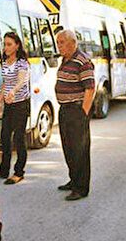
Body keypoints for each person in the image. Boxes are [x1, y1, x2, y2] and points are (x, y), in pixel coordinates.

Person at [54, 30, 95, 201]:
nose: (59, 46)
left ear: (72, 42)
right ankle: (73, 180)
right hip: (65, 109)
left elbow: (90, 88)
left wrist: (83, 113)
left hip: (76, 110)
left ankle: (81, 188)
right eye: (58, 42)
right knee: (68, 148)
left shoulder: (82, 61)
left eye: (62, 42)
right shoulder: (66, 60)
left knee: (79, 150)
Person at [0, 32, 30, 185]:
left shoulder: (22, 63)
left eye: (9, 44)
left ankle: (19, 172)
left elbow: (21, 81)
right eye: (4, 44)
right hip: (8, 104)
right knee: (5, 136)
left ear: (17, 45)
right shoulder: (5, 62)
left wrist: (14, 91)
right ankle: (3, 170)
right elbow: (5, 83)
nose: (6, 47)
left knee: (19, 138)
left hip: (20, 104)